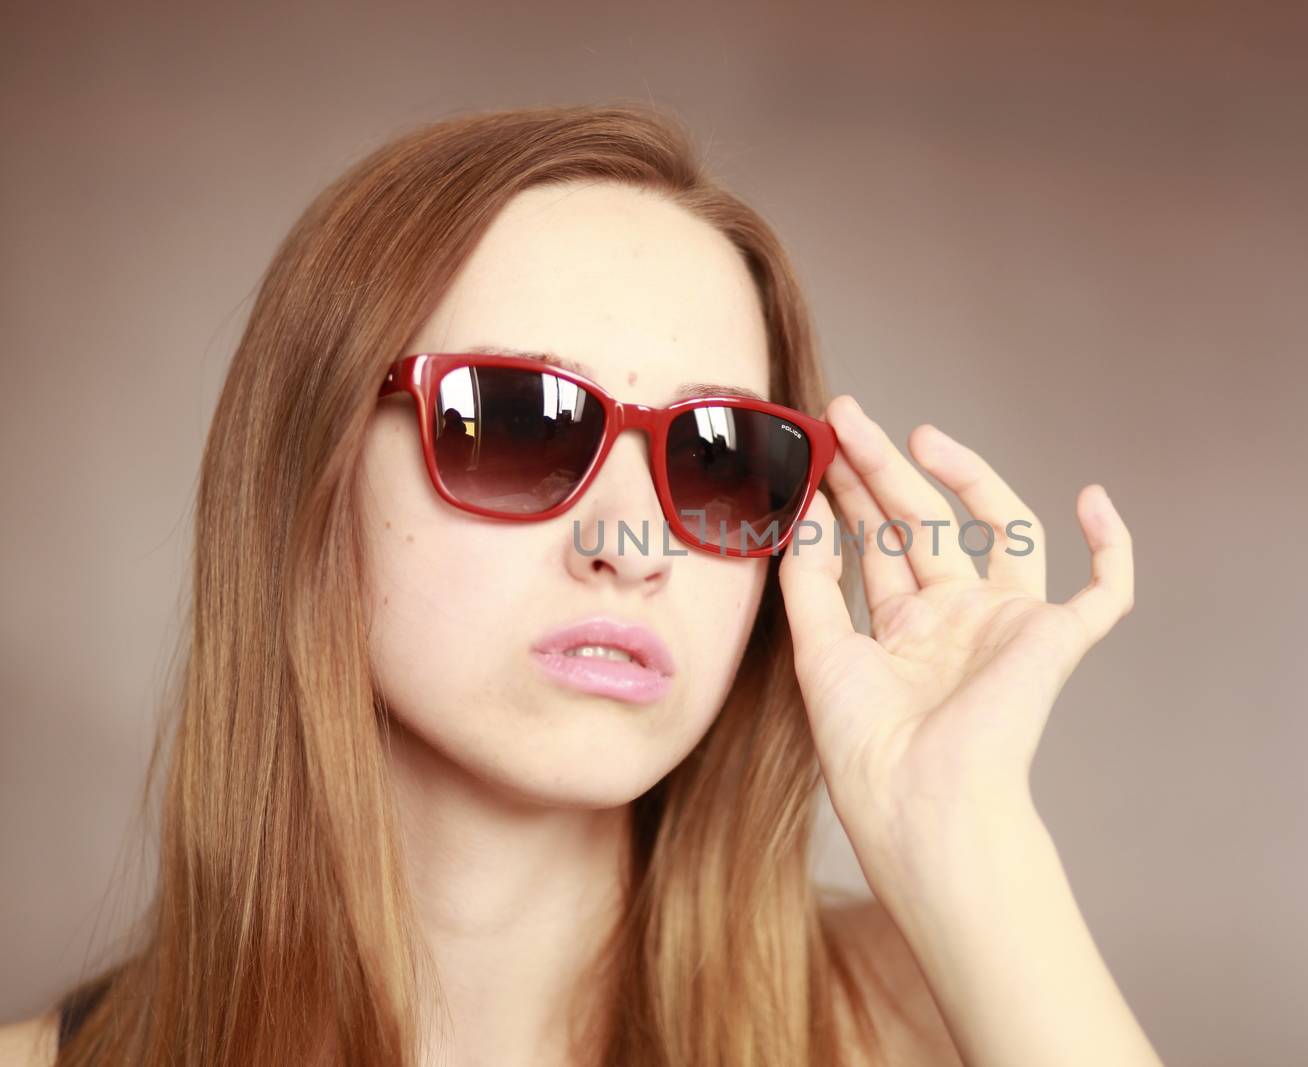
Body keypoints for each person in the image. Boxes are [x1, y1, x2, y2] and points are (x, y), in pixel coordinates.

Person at [0, 105, 1156, 1066]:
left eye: (716, 455)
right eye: (517, 421)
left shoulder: (937, 1021)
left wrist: (961, 827)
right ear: (313, 475)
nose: (632, 540)